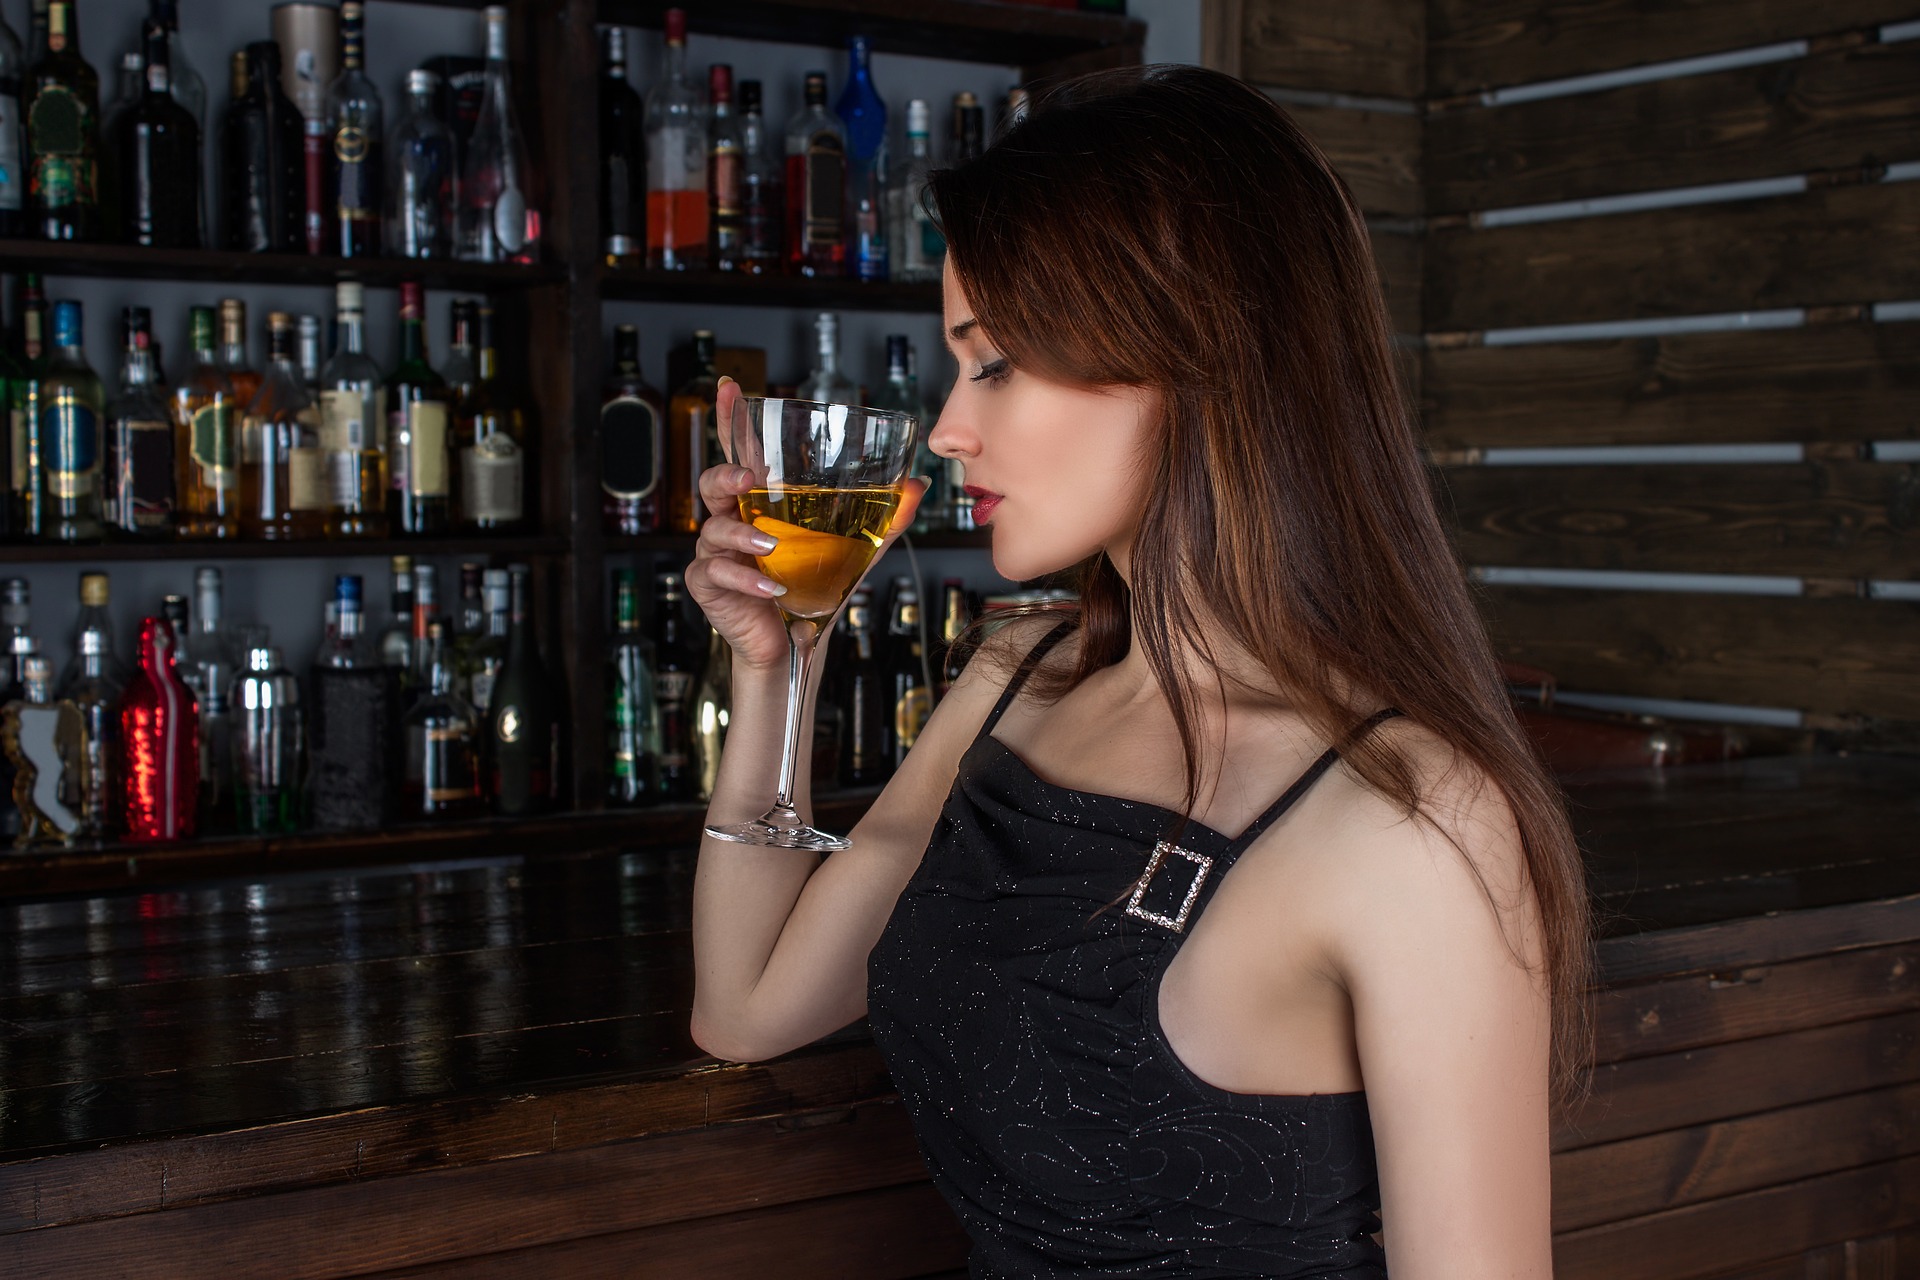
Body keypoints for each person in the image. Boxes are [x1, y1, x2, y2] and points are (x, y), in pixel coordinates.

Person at [685, 64, 1592, 1279]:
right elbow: (745, 1007)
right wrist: (781, 660)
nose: (951, 427)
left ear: (1194, 350)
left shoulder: (1412, 817)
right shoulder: (1021, 673)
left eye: (995, 362)